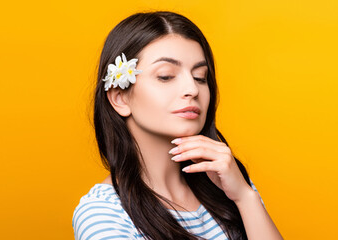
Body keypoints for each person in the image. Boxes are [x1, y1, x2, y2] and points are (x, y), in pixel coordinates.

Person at [72, 11, 283, 240]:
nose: (192, 89)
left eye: (200, 77)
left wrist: (245, 196)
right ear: (120, 98)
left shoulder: (227, 180)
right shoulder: (104, 214)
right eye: (166, 76)